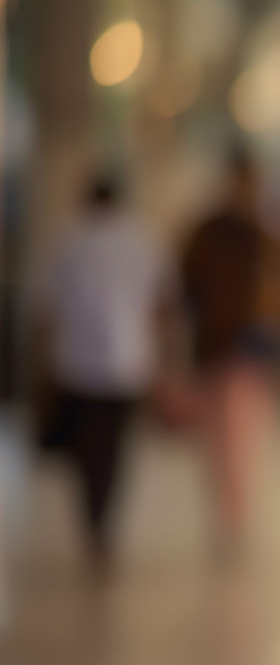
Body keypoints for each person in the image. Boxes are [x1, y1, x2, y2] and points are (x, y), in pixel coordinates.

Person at [35, 174, 175, 574]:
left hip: (76, 365)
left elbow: (46, 309)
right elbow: (162, 303)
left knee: (85, 450)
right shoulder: (140, 240)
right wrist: (164, 359)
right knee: (113, 449)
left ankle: (92, 519)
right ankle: (103, 521)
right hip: (126, 364)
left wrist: (43, 361)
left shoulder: (67, 240)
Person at [181, 151, 280, 553]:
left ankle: (234, 512)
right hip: (220, 346)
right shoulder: (217, 232)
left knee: (240, 434)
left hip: (247, 348)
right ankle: (228, 510)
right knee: (223, 436)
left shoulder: (257, 232)